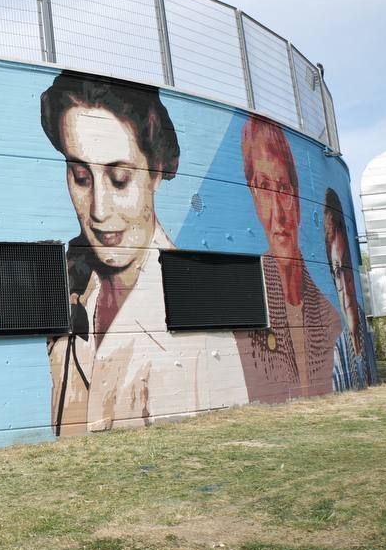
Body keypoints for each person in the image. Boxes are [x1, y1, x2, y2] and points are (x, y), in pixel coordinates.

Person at [41, 71, 248, 436]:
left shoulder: (196, 310)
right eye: (81, 177)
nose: (99, 210)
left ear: (156, 171)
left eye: (120, 179)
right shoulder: (72, 293)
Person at [234, 116, 343, 403]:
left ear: (296, 198)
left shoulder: (331, 319)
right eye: (263, 187)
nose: (277, 214)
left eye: (282, 188)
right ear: (253, 197)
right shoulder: (243, 306)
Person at [325, 187, 369, 387]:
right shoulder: (338, 349)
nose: (345, 284)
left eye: (347, 267)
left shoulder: (365, 327)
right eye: (337, 273)